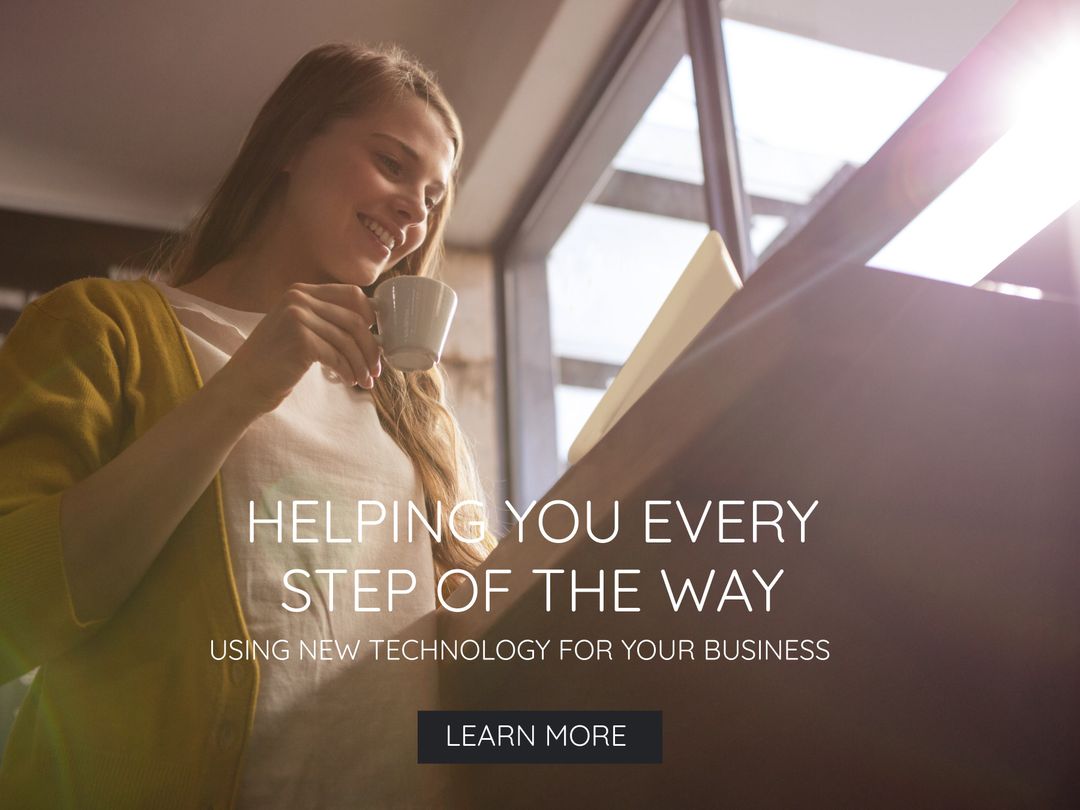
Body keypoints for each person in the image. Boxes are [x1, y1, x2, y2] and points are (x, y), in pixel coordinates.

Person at [0, 42, 494, 808]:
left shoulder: (412, 401)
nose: (414, 211)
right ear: (293, 142)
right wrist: (245, 386)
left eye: (432, 197)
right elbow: (11, 610)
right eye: (392, 165)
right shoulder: (103, 327)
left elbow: (470, 617)